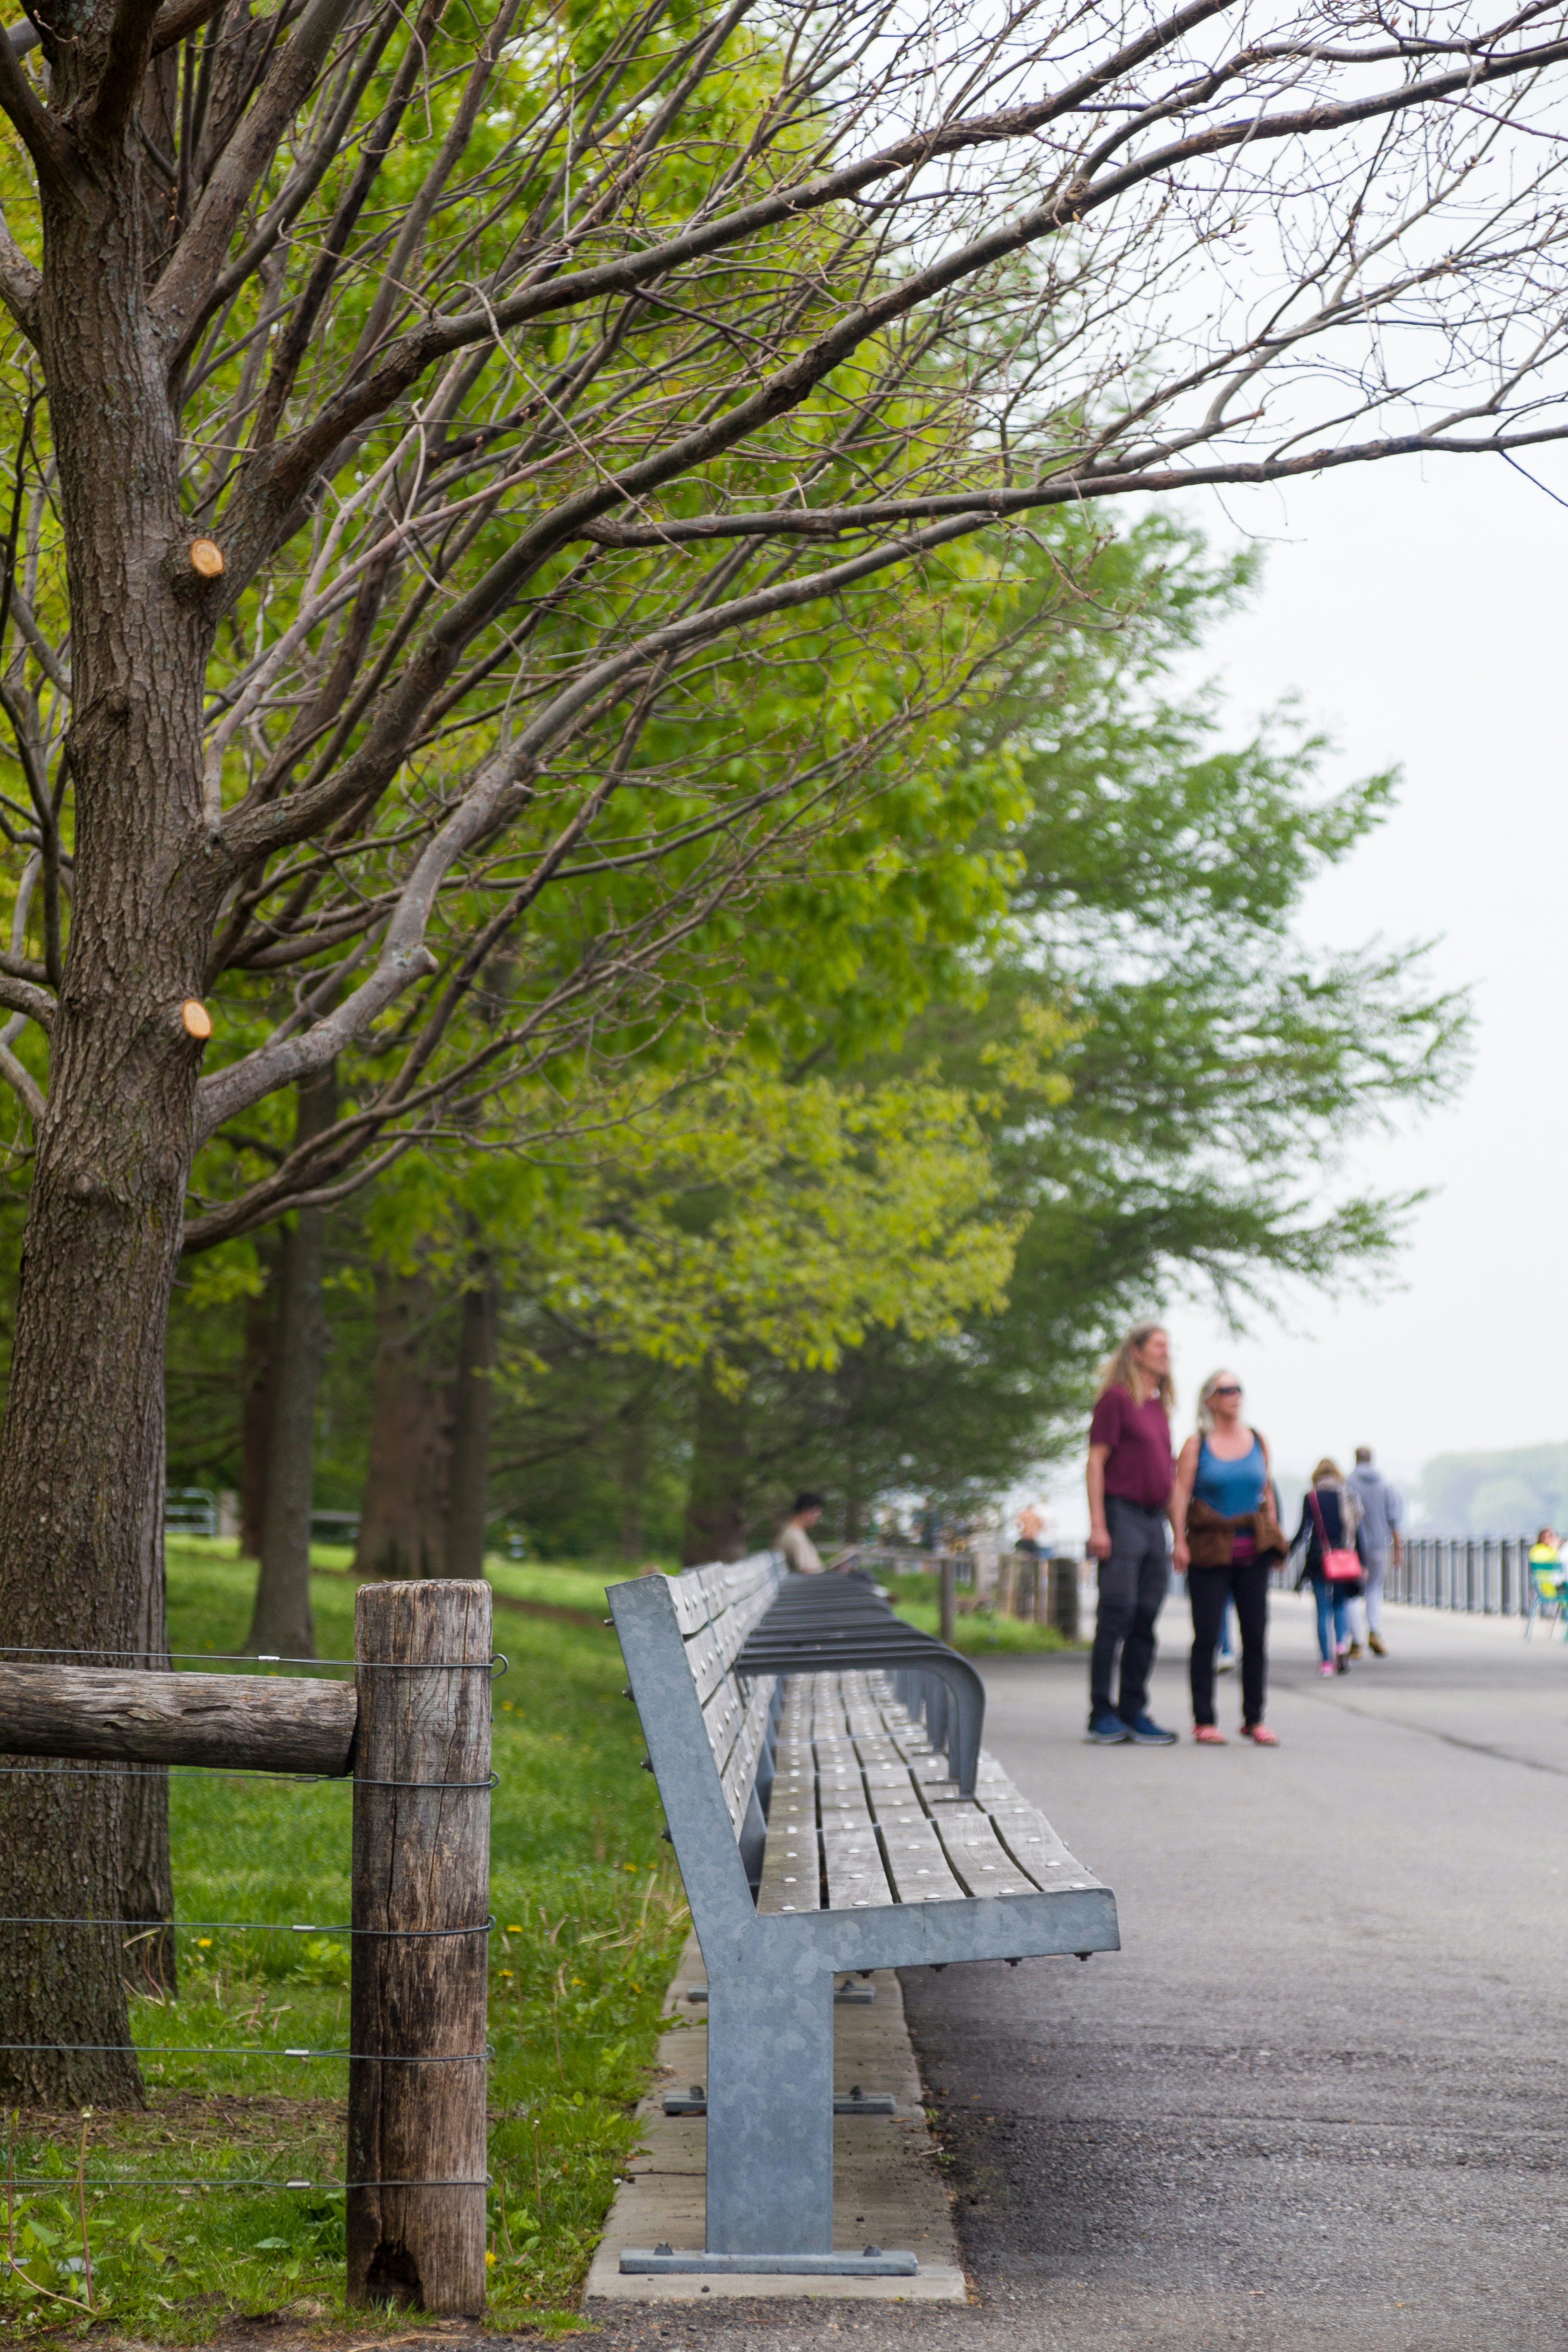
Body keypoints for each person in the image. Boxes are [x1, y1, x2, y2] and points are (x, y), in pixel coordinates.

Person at [1171, 1370, 1286, 1745]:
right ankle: (1204, 1720)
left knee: (1255, 1636)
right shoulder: (1197, 1444)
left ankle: (1255, 1719)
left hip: (1251, 1552)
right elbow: (1180, 1494)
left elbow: (1266, 1492)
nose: (1235, 1396)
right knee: (1206, 1638)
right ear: (1210, 1400)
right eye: (1226, 1390)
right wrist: (1178, 1541)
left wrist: (1274, 1538)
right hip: (1208, 1551)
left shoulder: (1257, 1440)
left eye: (1238, 1389)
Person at [1084, 1322, 1184, 1746]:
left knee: (1146, 1616)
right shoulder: (1116, 1400)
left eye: (1168, 1346)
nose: (1166, 1352)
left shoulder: (1159, 1408)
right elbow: (1095, 1463)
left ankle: (1134, 1710)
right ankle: (1101, 1713)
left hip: (1153, 1523)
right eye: (1158, 1346)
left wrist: (1180, 1537)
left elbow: (1171, 1477)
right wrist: (1098, 1526)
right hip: (1121, 1517)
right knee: (1117, 1613)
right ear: (1137, 1352)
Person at [1294, 1459, 1365, 1675]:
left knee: (1322, 1610)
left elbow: (1303, 1531)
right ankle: (1341, 1646)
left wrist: (1285, 1553)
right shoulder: (1347, 1496)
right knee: (1340, 1605)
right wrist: (1361, 1561)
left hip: (1319, 1559)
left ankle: (1326, 1662)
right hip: (1343, 1559)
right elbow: (1357, 1531)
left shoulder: (1312, 1497)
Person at [1346, 1445, 1403, 1658]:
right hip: (1380, 1546)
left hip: (1353, 1548)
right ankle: (1375, 1632)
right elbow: (1395, 1520)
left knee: (1351, 1594)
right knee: (1374, 1590)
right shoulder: (1385, 1485)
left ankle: (1357, 1642)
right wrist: (1399, 1550)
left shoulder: (1348, 1484)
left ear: (1355, 1459)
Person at [778, 1491, 828, 1573]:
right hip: (809, 1583)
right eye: (817, 1513)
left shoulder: (796, 1532)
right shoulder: (794, 1536)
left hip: (813, 1581)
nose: (818, 1518)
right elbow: (807, 1571)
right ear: (806, 1512)